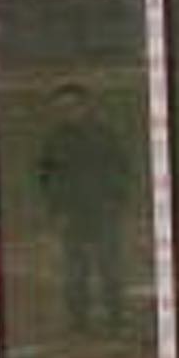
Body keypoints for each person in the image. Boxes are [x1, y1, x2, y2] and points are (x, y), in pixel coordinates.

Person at [36, 83, 129, 334]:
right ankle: (78, 321)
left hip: (103, 209)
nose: (67, 112)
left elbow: (121, 167)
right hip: (72, 212)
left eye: (72, 106)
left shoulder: (105, 134)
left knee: (109, 265)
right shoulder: (54, 139)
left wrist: (116, 200)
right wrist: (56, 210)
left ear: (86, 106)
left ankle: (115, 317)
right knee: (75, 269)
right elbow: (46, 177)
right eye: (61, 108)